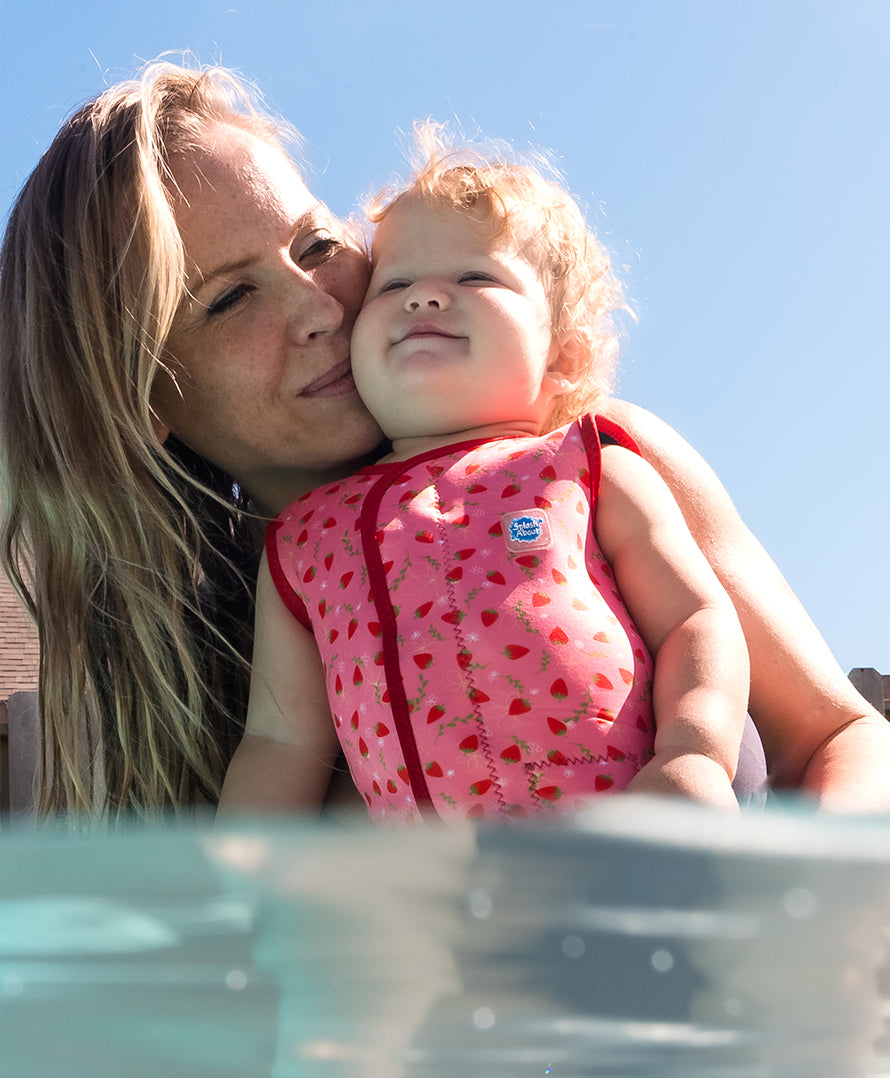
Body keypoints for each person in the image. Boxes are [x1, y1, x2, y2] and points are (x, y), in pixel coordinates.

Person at [0, 60, 890, 823]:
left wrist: (811, 910)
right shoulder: (219, 635)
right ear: (143, 398)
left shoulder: (593, 457)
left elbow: (846, 742)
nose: (320, 306)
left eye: (318, 244)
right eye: (231, 298)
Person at [218, 129, 749, 820]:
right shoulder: (303, 542)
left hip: (627, 857)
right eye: (397, 282)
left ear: (563, 355)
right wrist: (239, 894)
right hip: (436, 909)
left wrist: (694, 753)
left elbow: (695, 620)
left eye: (475, 277)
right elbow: (277, 741)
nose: (425, 297)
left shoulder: (588, 468)